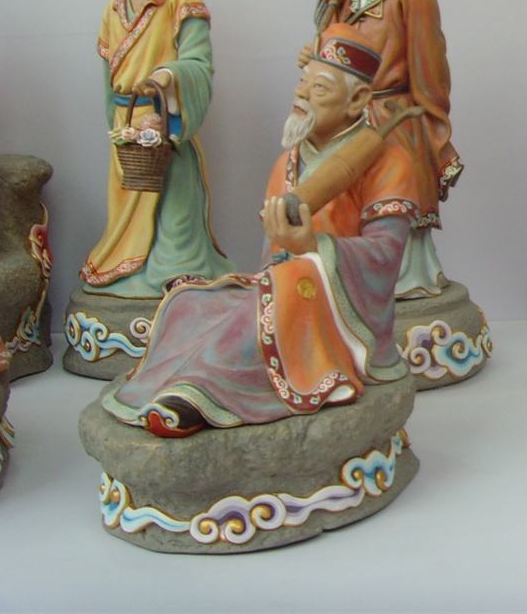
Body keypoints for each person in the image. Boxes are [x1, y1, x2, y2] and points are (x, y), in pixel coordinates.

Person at [103, 24, 421, 436]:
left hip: (337, 311)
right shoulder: (286, 165)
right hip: (282, 288)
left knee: (284, 288)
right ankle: (175, 378)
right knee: (199, 303)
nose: (301, 95)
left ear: (357, 99)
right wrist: (275, 268)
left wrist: (313, 247)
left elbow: (386, 255)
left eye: (319, 89)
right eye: (302, 83)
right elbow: (269, 262)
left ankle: (199, 391)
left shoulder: (390, 161)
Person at [304, 0, 461, 298]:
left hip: (394, 115)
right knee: (342, 198)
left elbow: (429, 61)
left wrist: (432, 125)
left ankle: (403, 281)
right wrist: (317, 57)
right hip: (348, 115)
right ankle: (352, 283)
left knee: (396, 196)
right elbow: (336, 47)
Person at [81, 0, 234, 297]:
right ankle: (127, 264)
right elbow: (107, 74)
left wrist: (164, 78)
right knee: (129, 194)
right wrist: (115, 122)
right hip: (126, 118)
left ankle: (179, 266)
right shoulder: (112, 7)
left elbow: (198, 61)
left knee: (175, 194)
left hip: (166, 113)